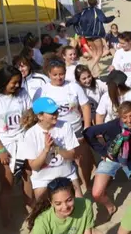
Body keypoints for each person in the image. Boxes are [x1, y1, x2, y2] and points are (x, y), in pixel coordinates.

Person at [85, 101, 131, 216]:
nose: (129, 120)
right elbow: (88, 132)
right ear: (120, 117)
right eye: (125, 117)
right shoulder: (112, 126)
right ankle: (110, 207)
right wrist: (102, 151)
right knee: (96, 193)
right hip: (111, 158)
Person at [0, 66, 33, 227]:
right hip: (5, 144)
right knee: (7, 184)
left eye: (19, 82)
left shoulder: (23, 94)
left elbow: (30, 112)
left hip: (23, 140)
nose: (17, 86)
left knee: (28, 177)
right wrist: (1, 149)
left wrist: (28, 120)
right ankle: (6, 219)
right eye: (14, 83)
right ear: (4, 82)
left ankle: (31, 212)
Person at [35, 59, 93, 189]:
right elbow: (37, 112)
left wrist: (87, 126)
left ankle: (87, 185)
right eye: (55, 75)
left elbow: (85, 106)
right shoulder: (42, 90)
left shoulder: (74, 86)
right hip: (55, 132)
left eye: (61, 74)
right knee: (63, 161)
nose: (58, 77)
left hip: (76, 129)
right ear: (49, 74)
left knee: (82, 158)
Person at [20, 97, 83, 198]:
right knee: (44, 211)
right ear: (40, 116)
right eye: (51, 113)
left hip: (67, 174)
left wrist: (56, 148)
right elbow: (34, 166)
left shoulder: (65, 126)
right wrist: (46, 150)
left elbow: (72, 155)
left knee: (80, 206)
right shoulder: (30, 134)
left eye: (56, 111)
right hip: (43, 180)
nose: (55, 115)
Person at [66, 0, 115, 74]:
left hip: (86, 35)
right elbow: (104, 20)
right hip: (95, 34)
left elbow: (74, 19)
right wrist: (113, 17)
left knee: (95, 52)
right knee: (100, 52)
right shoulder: (97, 11)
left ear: (88, 3)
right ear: (96, 3)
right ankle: (91, 66)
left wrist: (67, 23)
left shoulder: (83, 12)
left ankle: (97, 69)